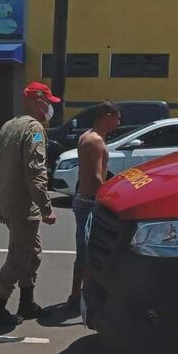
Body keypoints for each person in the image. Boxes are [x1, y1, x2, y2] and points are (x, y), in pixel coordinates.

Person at [0, 82, 60, 327]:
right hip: (24, 206)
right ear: (40, 102)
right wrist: (46, 206)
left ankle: (27, 302)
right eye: (48, 103)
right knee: (18, 257)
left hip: (10, 203)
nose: (50, 108)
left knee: (32, 253)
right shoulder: (34, 129)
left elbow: (1, 169)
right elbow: (35, 171)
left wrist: (2, 204)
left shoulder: (9, 126)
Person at [67, 100, 120, 311]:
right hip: (90, 201)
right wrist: (111, 198)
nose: (119, 122)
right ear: (107, 116)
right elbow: (98, 177)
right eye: (117, 118)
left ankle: (75, 294)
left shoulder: (85, 136)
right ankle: (82, 297)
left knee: (84, 249)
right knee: (89, 251)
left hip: (82, 199)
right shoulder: (96, 141)